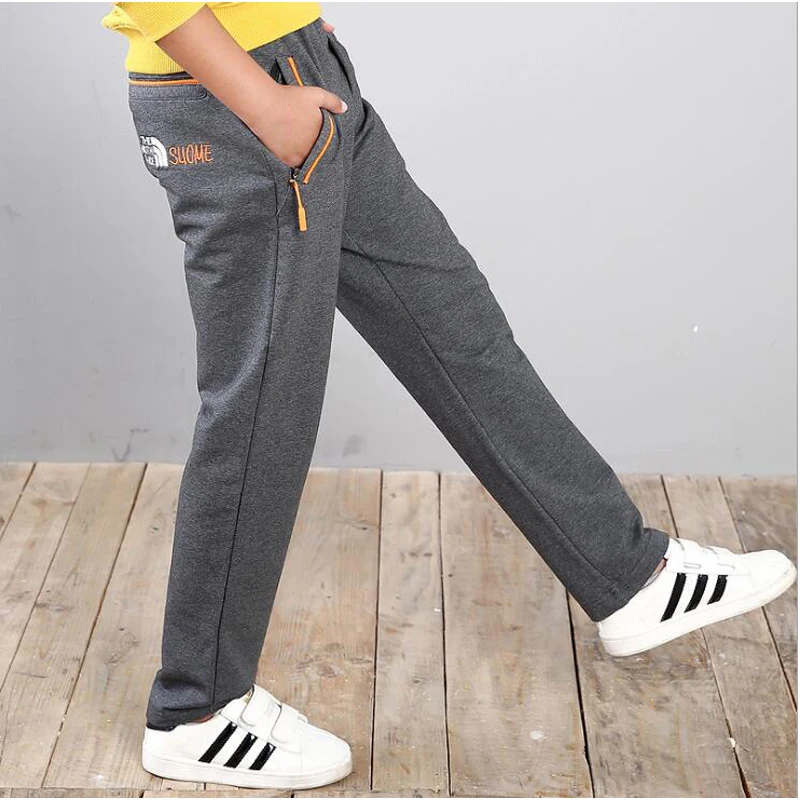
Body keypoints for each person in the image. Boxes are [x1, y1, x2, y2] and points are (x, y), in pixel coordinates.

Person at [102, 2, 796, 790]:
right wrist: (262, 101)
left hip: (296, 67)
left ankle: (629, 575)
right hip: (234, 102)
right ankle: (197, 711)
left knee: (456, 328)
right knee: (262, 411)